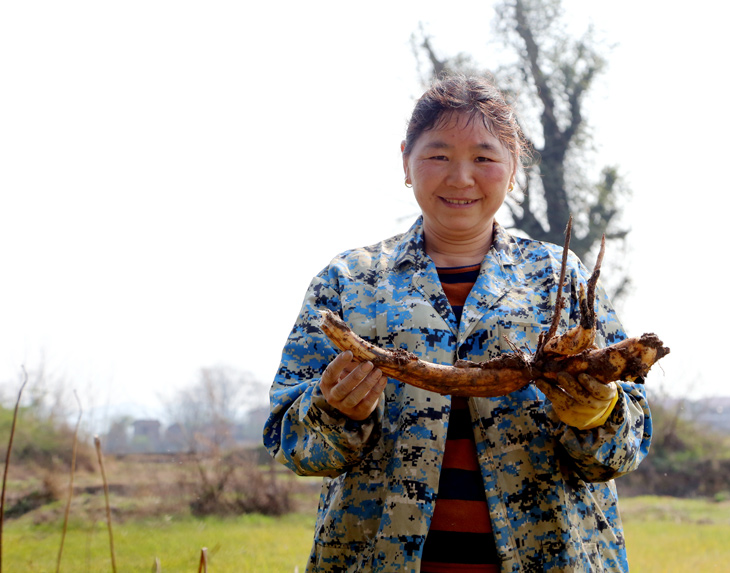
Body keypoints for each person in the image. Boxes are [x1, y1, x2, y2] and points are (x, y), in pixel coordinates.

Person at [264, 75, 651, 573]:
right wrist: (335, 413)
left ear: (514, 170)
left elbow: (628, 443)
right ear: (406, 160)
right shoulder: (349, 283)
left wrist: (598, 416)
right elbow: (288, 440)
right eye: (439, 155)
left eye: (485, 158)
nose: (461, 177)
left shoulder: (559, 280)